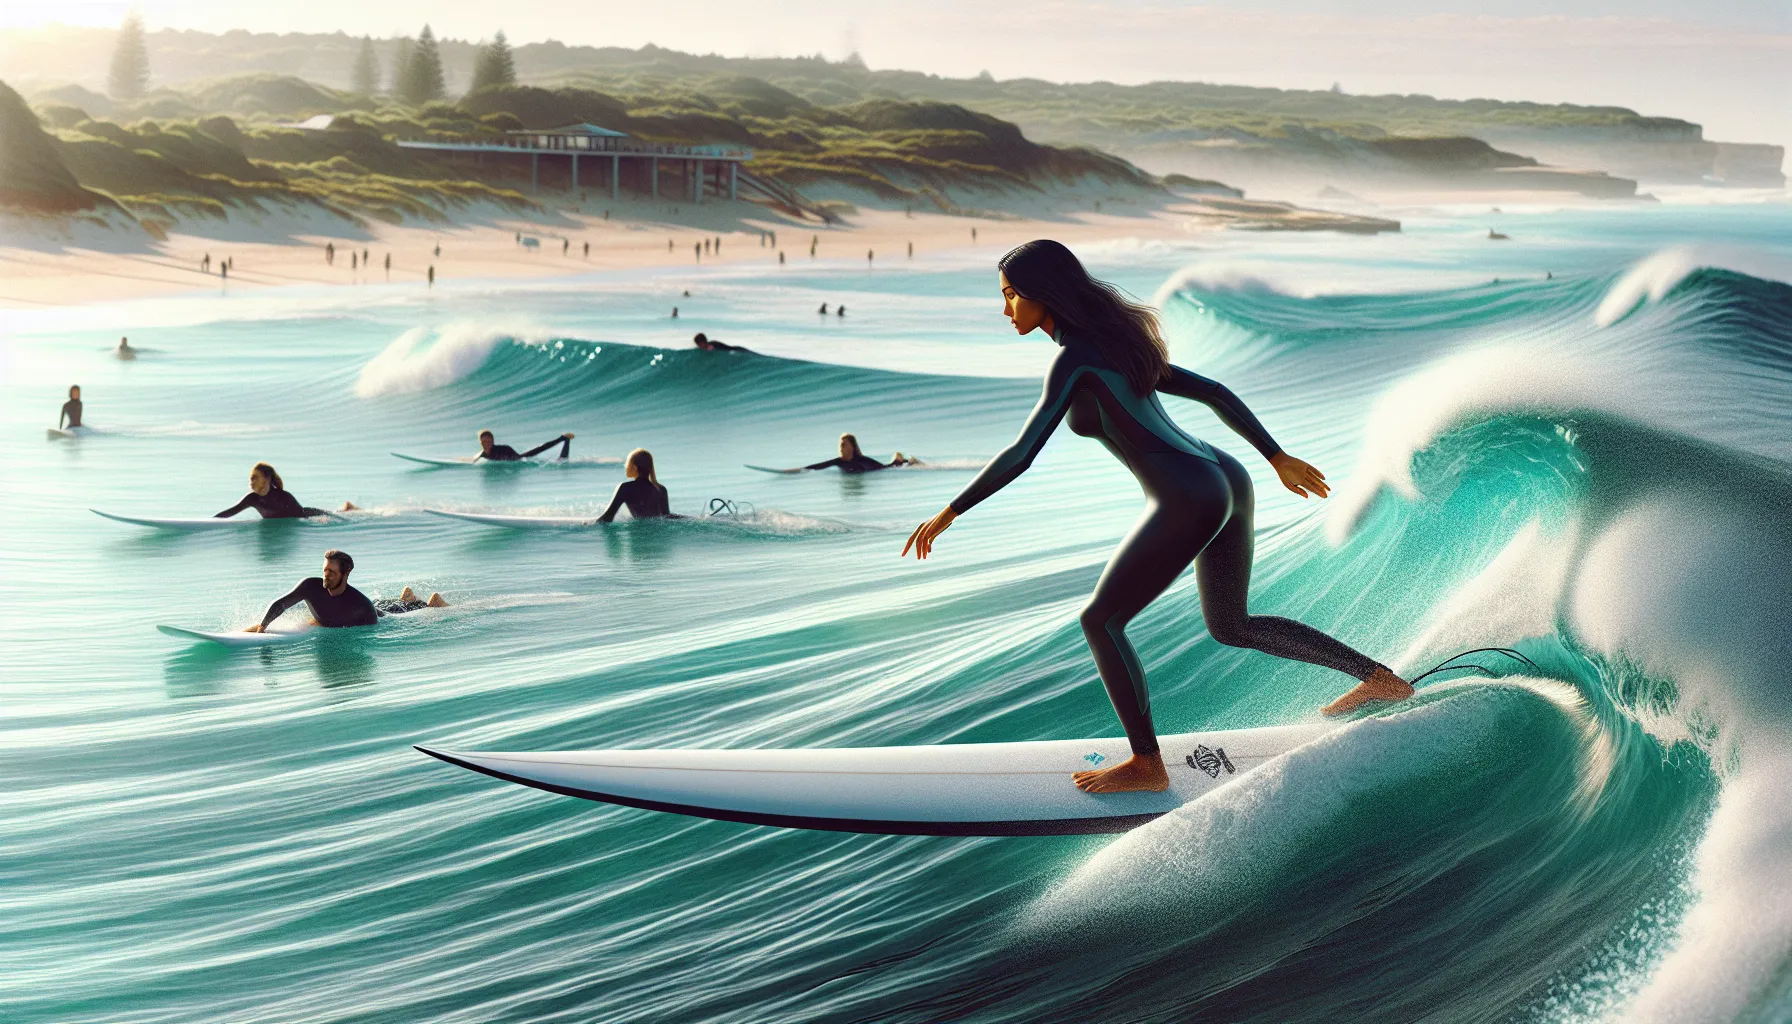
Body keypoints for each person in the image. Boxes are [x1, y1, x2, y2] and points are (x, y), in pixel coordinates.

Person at [901, 239, 1412, 794]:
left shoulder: (1074, 359)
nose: (1005, 309)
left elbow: (1023, 452)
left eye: (1011, 295)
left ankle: (1147, 763)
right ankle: (1380, 680)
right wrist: (1274, 456)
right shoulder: (1115, 343)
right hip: (1226, 475)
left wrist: (950, 511)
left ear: (1042, 296)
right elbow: (1212, 391)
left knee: (1100, 620)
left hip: (1189, 495)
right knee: (1232, 626)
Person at [243, 549, 445, 633]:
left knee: (400, 609)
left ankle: (430, 602)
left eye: (331, 572)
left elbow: (373, 631)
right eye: (324, 571)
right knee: (387, 603)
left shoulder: (361, 607)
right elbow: (281, 604)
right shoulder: (309, 586)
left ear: (345, 573)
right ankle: (407, 597)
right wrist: (263, 625)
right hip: (374, 606)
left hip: (383, 615)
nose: (326, 576)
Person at [215, 462, 338, 519]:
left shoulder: (284, 497)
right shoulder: (252, 498)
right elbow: (231, 512)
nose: (251, 482)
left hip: (308, 513)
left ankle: (343, 510)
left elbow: (301, 516)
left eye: (255, 478)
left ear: (267, 478)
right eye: (251, 479)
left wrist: (323, 520)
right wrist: (210, 521)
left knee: (335, 514)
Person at [598, 449, 679, 522]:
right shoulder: (661, 489)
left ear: (634, 467)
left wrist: (587, 524)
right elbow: (666, 517)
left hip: (641, 535)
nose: (625, 466)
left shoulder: (625, 488)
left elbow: (608, 517)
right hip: (658, 536)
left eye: (627, 463)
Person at [806, 433, 916, 473]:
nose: (840, 447)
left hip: (884, 469)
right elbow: (816, 467)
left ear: (852, 447)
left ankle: (901, 459)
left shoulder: (861, 460)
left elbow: (882, 469)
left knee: (893, 465)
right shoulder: (838, 461)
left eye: (844, 444)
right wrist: (797, 470)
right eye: (840, 444)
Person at [475, 429, 574, 462]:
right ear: (480, 443)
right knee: (537, 450)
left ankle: (563, 439)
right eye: (484, 442)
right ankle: (563, 439)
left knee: (538, 450)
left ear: (493, 441)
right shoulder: (482, 455)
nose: (487, 444)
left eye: (489, 441)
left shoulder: (500, 450)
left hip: (515, 457)